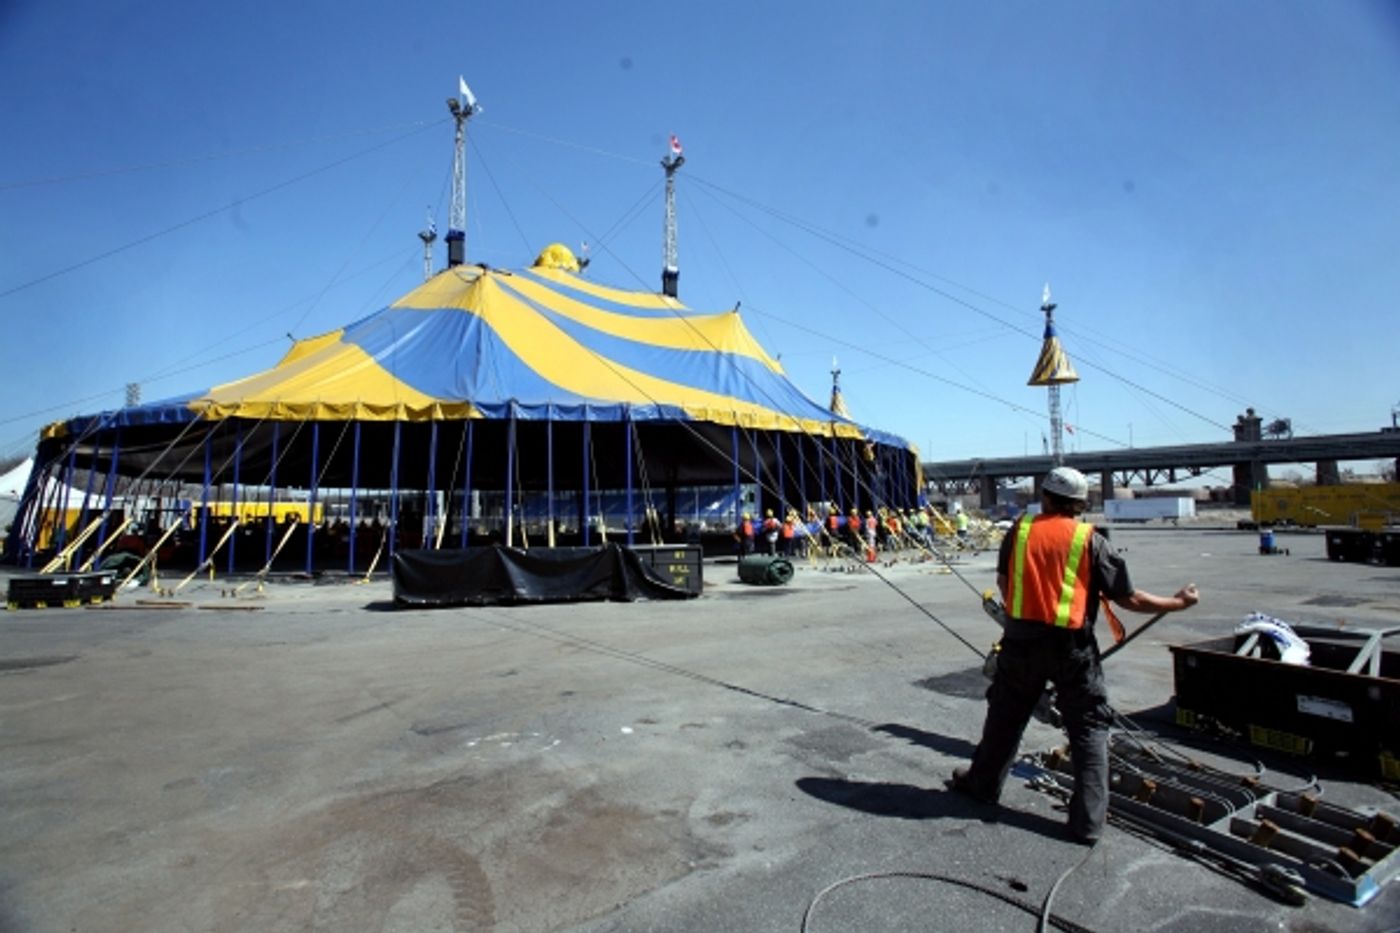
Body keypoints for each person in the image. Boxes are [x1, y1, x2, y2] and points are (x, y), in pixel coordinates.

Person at [948, 466, 1199, 845]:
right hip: (1072, 648)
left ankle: (982, 786)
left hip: (1021, 643)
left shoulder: (1020, 531)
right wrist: (1178, 603)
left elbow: (1004, 582)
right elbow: (1128, 598)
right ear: (1081, 504)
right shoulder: (1089, 539)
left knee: (1005, 718)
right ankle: (1087, 823)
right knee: (1088, 729)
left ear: (1045, 497)